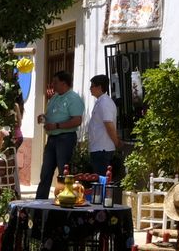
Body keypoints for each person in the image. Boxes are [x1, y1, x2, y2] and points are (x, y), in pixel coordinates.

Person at [36, 70, 84, 199]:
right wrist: (44, 117)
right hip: (52, 138)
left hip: (65, 138)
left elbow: (77, 120)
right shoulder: (55, 97)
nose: (53, 84)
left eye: (55, 82)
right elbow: (52, 115)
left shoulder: (73, 98)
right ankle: (40, 202)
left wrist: (57, 126)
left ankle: (64, 199)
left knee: (64, 172)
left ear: (64, 83)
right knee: (45, 172)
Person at [86, 74, 123, 189]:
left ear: (99, 87)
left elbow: (109, 124)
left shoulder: (105, 102)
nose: (90, 89)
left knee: (101, 181)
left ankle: (102, 205)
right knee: (98, 180)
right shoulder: (100, 102)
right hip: (97, 148)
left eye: (92, 86)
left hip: (103, 149)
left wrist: (116, 142)